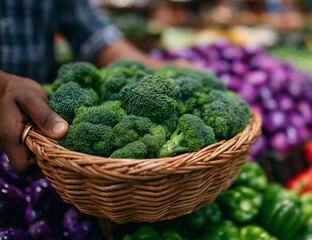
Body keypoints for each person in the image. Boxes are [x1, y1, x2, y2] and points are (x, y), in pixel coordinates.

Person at [0, 0, 194, 178]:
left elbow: (94, 36)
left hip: (40, 111)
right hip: (31, 121)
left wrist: (164, 69)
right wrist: (3, 85)